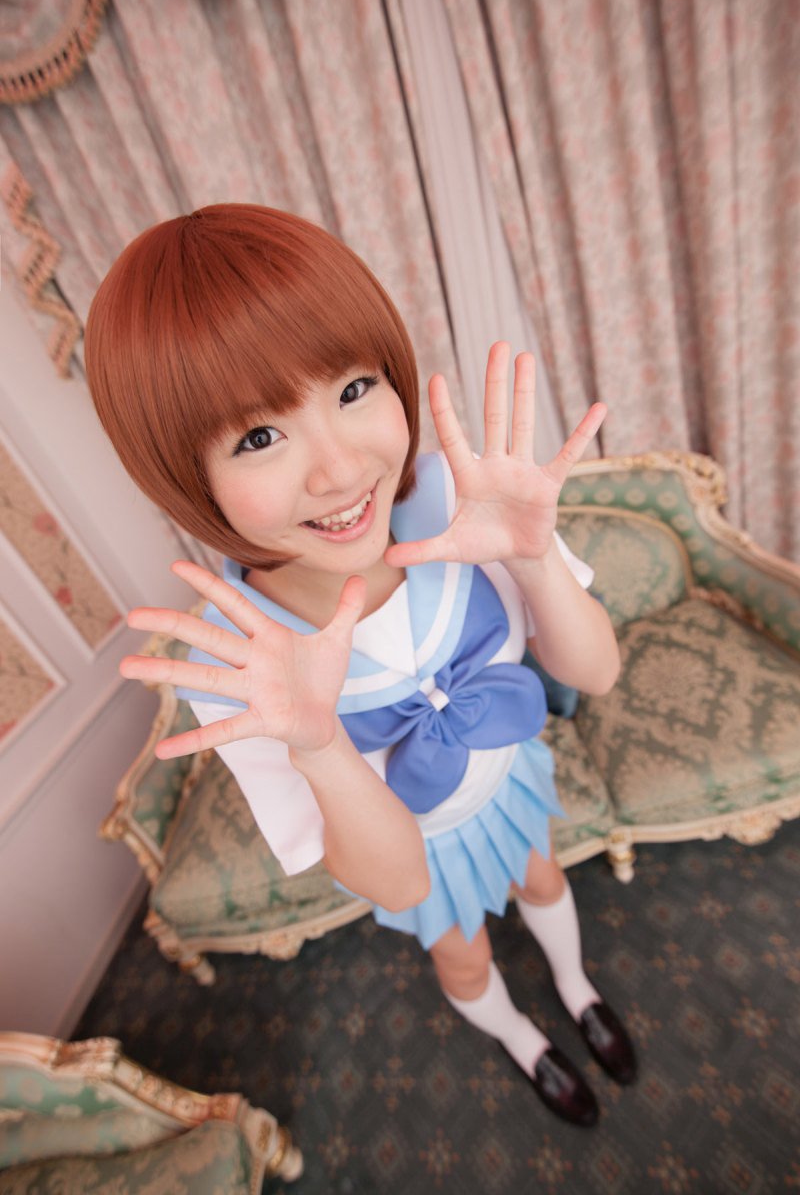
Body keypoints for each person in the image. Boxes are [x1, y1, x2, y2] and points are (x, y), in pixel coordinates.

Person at [85, 203, 636, 1128]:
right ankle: (523, 1040)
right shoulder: (237, 664)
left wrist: (537, 557)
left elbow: (598, 672)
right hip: (410, 848)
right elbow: (401, 884)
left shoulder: (461, 498)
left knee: (545, 878)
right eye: (258, 437)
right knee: (462, 955)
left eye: (351, 388)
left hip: (506, 780)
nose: (339, 471)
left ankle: (578, 990)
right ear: (186, 478)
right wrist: (318, 745)